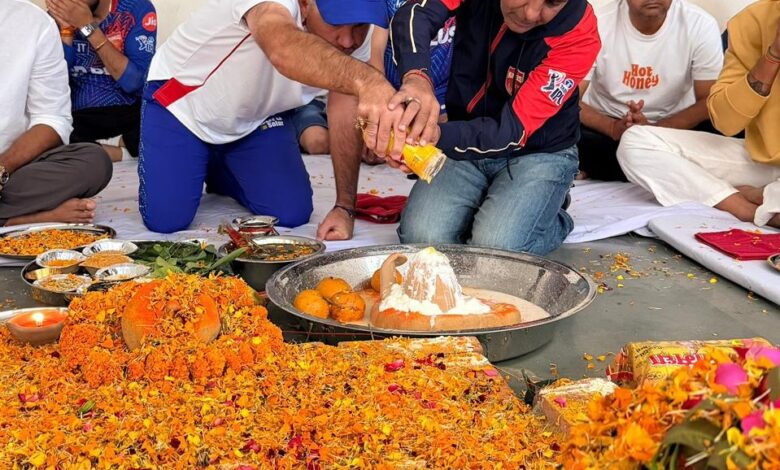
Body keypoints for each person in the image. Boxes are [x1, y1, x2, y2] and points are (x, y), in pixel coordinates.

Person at [139, 0, 405, 237]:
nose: (348, 40)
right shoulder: (272, 6)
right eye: (336, 23)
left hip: (256, 117)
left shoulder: (358, 38)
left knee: (291, 212)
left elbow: (344, 108)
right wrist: (366, 79)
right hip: (181, 105)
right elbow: (283, 48)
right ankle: (201, 160)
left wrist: (345, 207)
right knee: (167, 220)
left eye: (359, 25)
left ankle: (220, 170)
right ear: (304, 4)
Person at [378, 0, 600, 255]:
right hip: (465, 138)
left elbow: (511, 131)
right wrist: (416, 77)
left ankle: (552, 216)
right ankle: (508, 211)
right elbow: (415, 13)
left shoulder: (579, 33)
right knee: (421, 238)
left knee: (496, 249)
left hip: (539, 151)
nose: (530, 14)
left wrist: (434, 135)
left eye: (553, 2)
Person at [617, 1, 780, 228]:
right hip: (762, 162)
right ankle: (746, 208)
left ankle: (763, 196)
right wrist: (773, 56)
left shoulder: (698, 22)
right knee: (636, 142)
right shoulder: (752, 21)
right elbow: (726, 122)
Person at [577, 0, 723, 182]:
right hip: (608, 126)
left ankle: (614, 167)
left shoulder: (700, 23)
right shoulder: (595, 22)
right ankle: (666, 168)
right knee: (559, 125)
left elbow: (708, 100)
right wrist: (611, 127)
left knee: (725, 125)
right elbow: (570, 97)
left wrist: (657, 129)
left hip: (673, 127)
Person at [0, 0, 112, 227]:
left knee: (93, 162)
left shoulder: (34, 22)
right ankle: (19, 219)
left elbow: (52, 117)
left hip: (10, 170)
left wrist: (3, 168)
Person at [47, 0, 156, 161]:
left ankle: (93, 149)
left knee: (167, 118)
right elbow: (53, 88)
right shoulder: (54, 16)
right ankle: (121, 152)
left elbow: (134, 83)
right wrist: (66, 31)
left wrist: (88, 27)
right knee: (43, 131)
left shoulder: (135, 8)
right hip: (79, 117)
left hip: (127, 114)